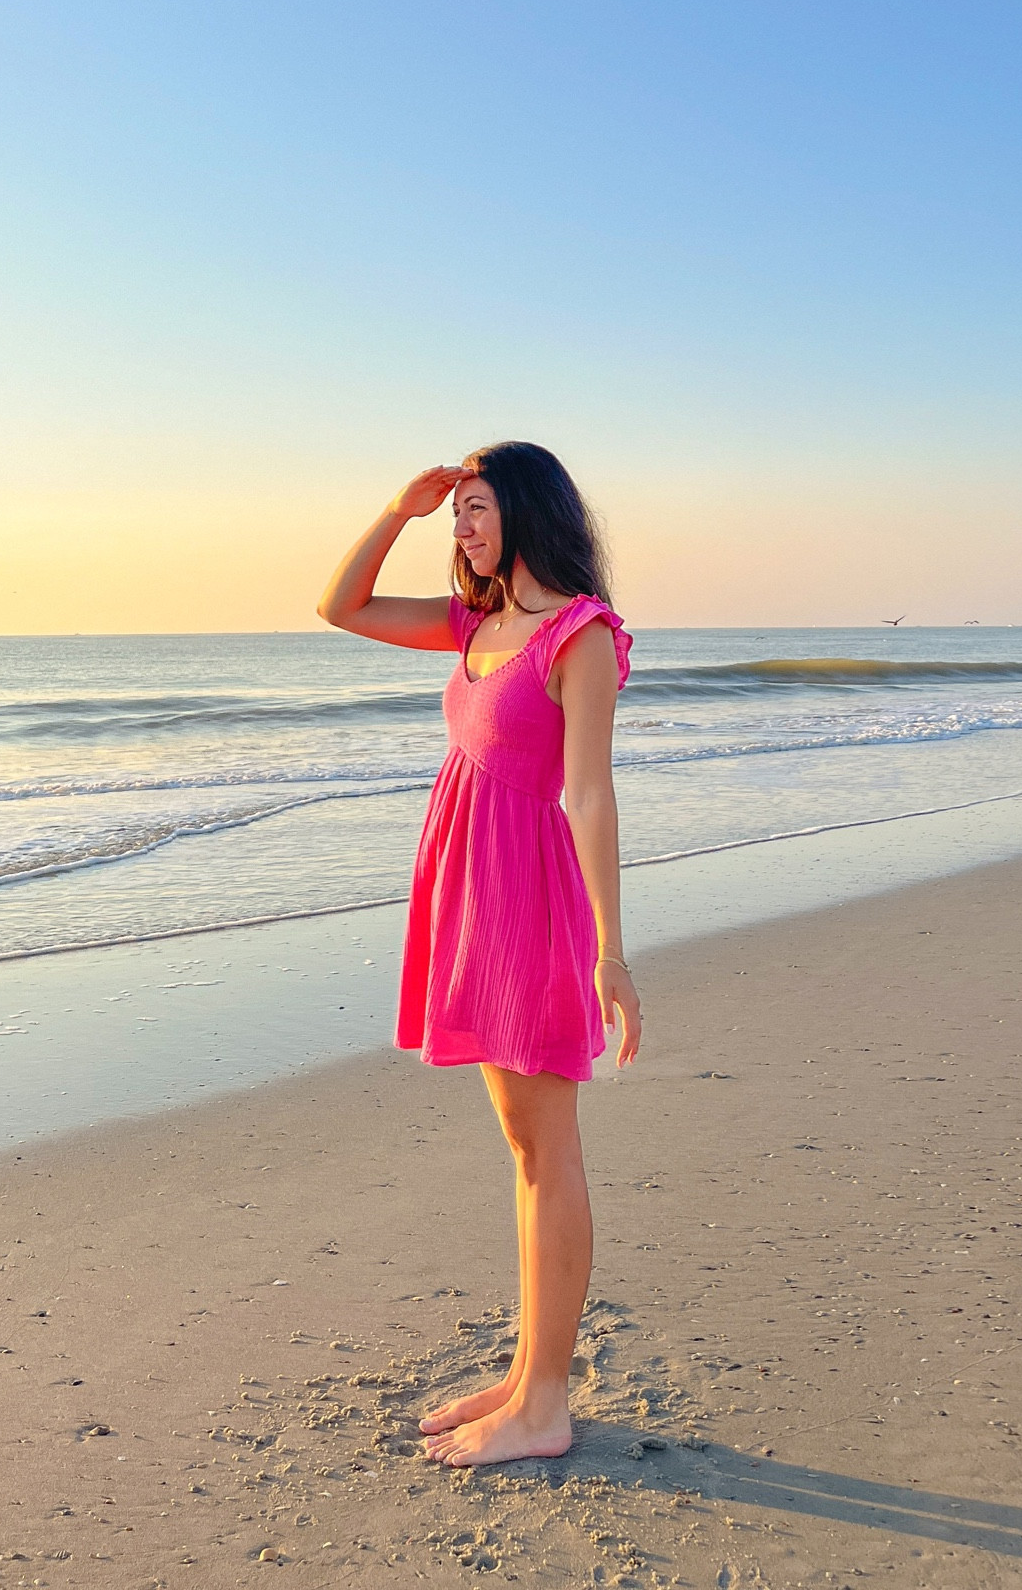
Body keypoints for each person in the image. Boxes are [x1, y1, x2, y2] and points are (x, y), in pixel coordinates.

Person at [317, 442, 641, 1467]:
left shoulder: (579, 635)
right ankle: (526, 1373)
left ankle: (544, 1403)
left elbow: (588, 793)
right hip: (470, 895)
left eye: (475, 508)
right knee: (525, 1149)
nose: (459, 527)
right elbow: (340, 605)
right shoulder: (475, 623)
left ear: (528, 510)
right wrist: (397, 509)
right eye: (455, 511)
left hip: (528, 900)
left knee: (549, 1149)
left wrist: (611, 951)